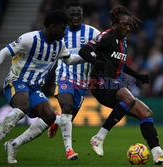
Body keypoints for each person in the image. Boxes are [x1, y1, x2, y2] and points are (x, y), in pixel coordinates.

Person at [78, 6, 163, 165]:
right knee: (128, 98)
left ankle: (158, 154)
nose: (128, 28)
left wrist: (138, 76)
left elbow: (121, 64)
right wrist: (95, 61)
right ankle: (98, 137)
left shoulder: (123, 41)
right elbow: (84, 51)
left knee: (146, 113)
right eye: (125, 24)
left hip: (113, 84)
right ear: (115, 23)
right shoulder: (105, 37)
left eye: (129, 25)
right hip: (100, 83)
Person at [0, 10, 81, 164]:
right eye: (62, 28)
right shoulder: (29, 39)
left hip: (34, 88)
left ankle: (14, 144)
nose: (65, 32)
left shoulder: (59, 45)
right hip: (16, 81)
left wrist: (88, 57)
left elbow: (69, 60)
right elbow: (3, 52)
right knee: (22, 107)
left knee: (49, 116)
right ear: (52, 27)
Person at [47, 1, 100, 160]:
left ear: (82, 14)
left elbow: (106, 45)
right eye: (72, 14)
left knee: (68, 116)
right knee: (67, 107)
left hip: (83, 81)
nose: (76, 17)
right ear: (66, 15)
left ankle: (55, 120)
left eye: (78, 14)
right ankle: (69, 150)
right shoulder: (59, 33)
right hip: (64, 75)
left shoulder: (93, 32)